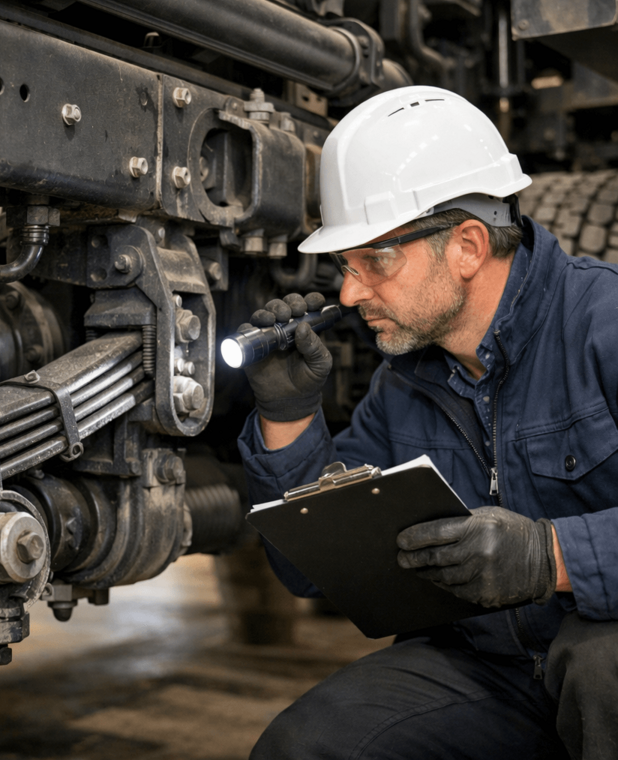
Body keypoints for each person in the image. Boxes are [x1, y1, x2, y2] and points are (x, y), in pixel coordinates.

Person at [237, 86, 618, 759]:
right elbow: (314, 572)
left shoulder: (604, 326)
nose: (351, 294)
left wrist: (551, 557)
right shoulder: (403, 382)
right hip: (488, 668)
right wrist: (289, 419)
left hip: (600, 648)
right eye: (344, 267)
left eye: (375, 261)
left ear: (468, 246)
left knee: (602, 673)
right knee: (309, 745)